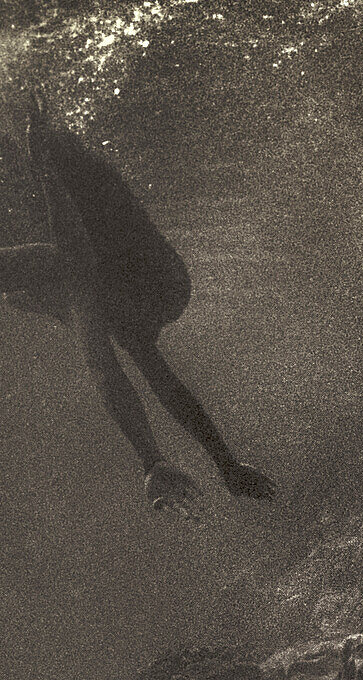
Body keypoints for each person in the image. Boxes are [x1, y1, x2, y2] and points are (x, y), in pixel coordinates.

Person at [0, 92, 276, 517]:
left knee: (71, 280)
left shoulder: (81, 286)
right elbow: (141, 378)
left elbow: (119, 374)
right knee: (74, 283)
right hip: (126, 273)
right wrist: (214, 461)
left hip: (127, 273)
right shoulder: (77, 290)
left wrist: (165, 460)